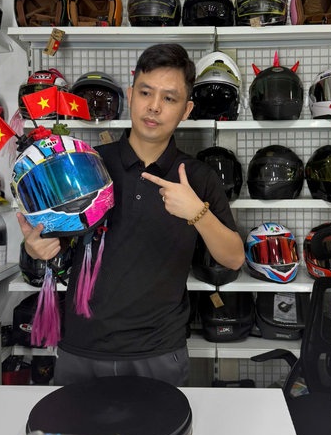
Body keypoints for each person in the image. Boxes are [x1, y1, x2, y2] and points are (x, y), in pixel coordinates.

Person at [17, 43, 245, 387]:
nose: (154, 107)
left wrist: (197, 213)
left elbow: (233, 258)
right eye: (145, 92)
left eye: (169, 98)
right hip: (82, 345)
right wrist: (38, 247)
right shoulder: (87, 162)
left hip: (159, 351)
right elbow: (56, 239)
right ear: (131, 94)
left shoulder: (198, 177)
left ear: (186, 109)